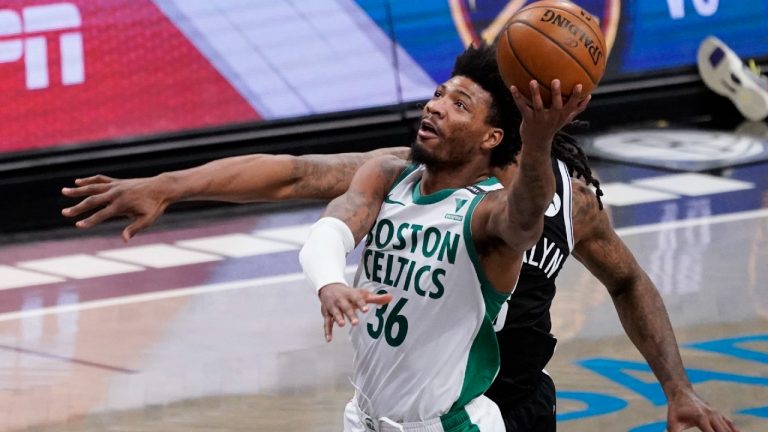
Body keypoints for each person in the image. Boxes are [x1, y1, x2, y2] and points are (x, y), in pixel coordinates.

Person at [60, 62, 738, 432]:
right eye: (441, 94)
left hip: (499, 405)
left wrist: (677, 389)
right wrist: (171, 185)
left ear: (505, 131)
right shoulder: (402, 172)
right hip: (388, 399)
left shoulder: (557, 202)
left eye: (461, 102)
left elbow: (624, 278)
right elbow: (294, 172)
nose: (437, 106)